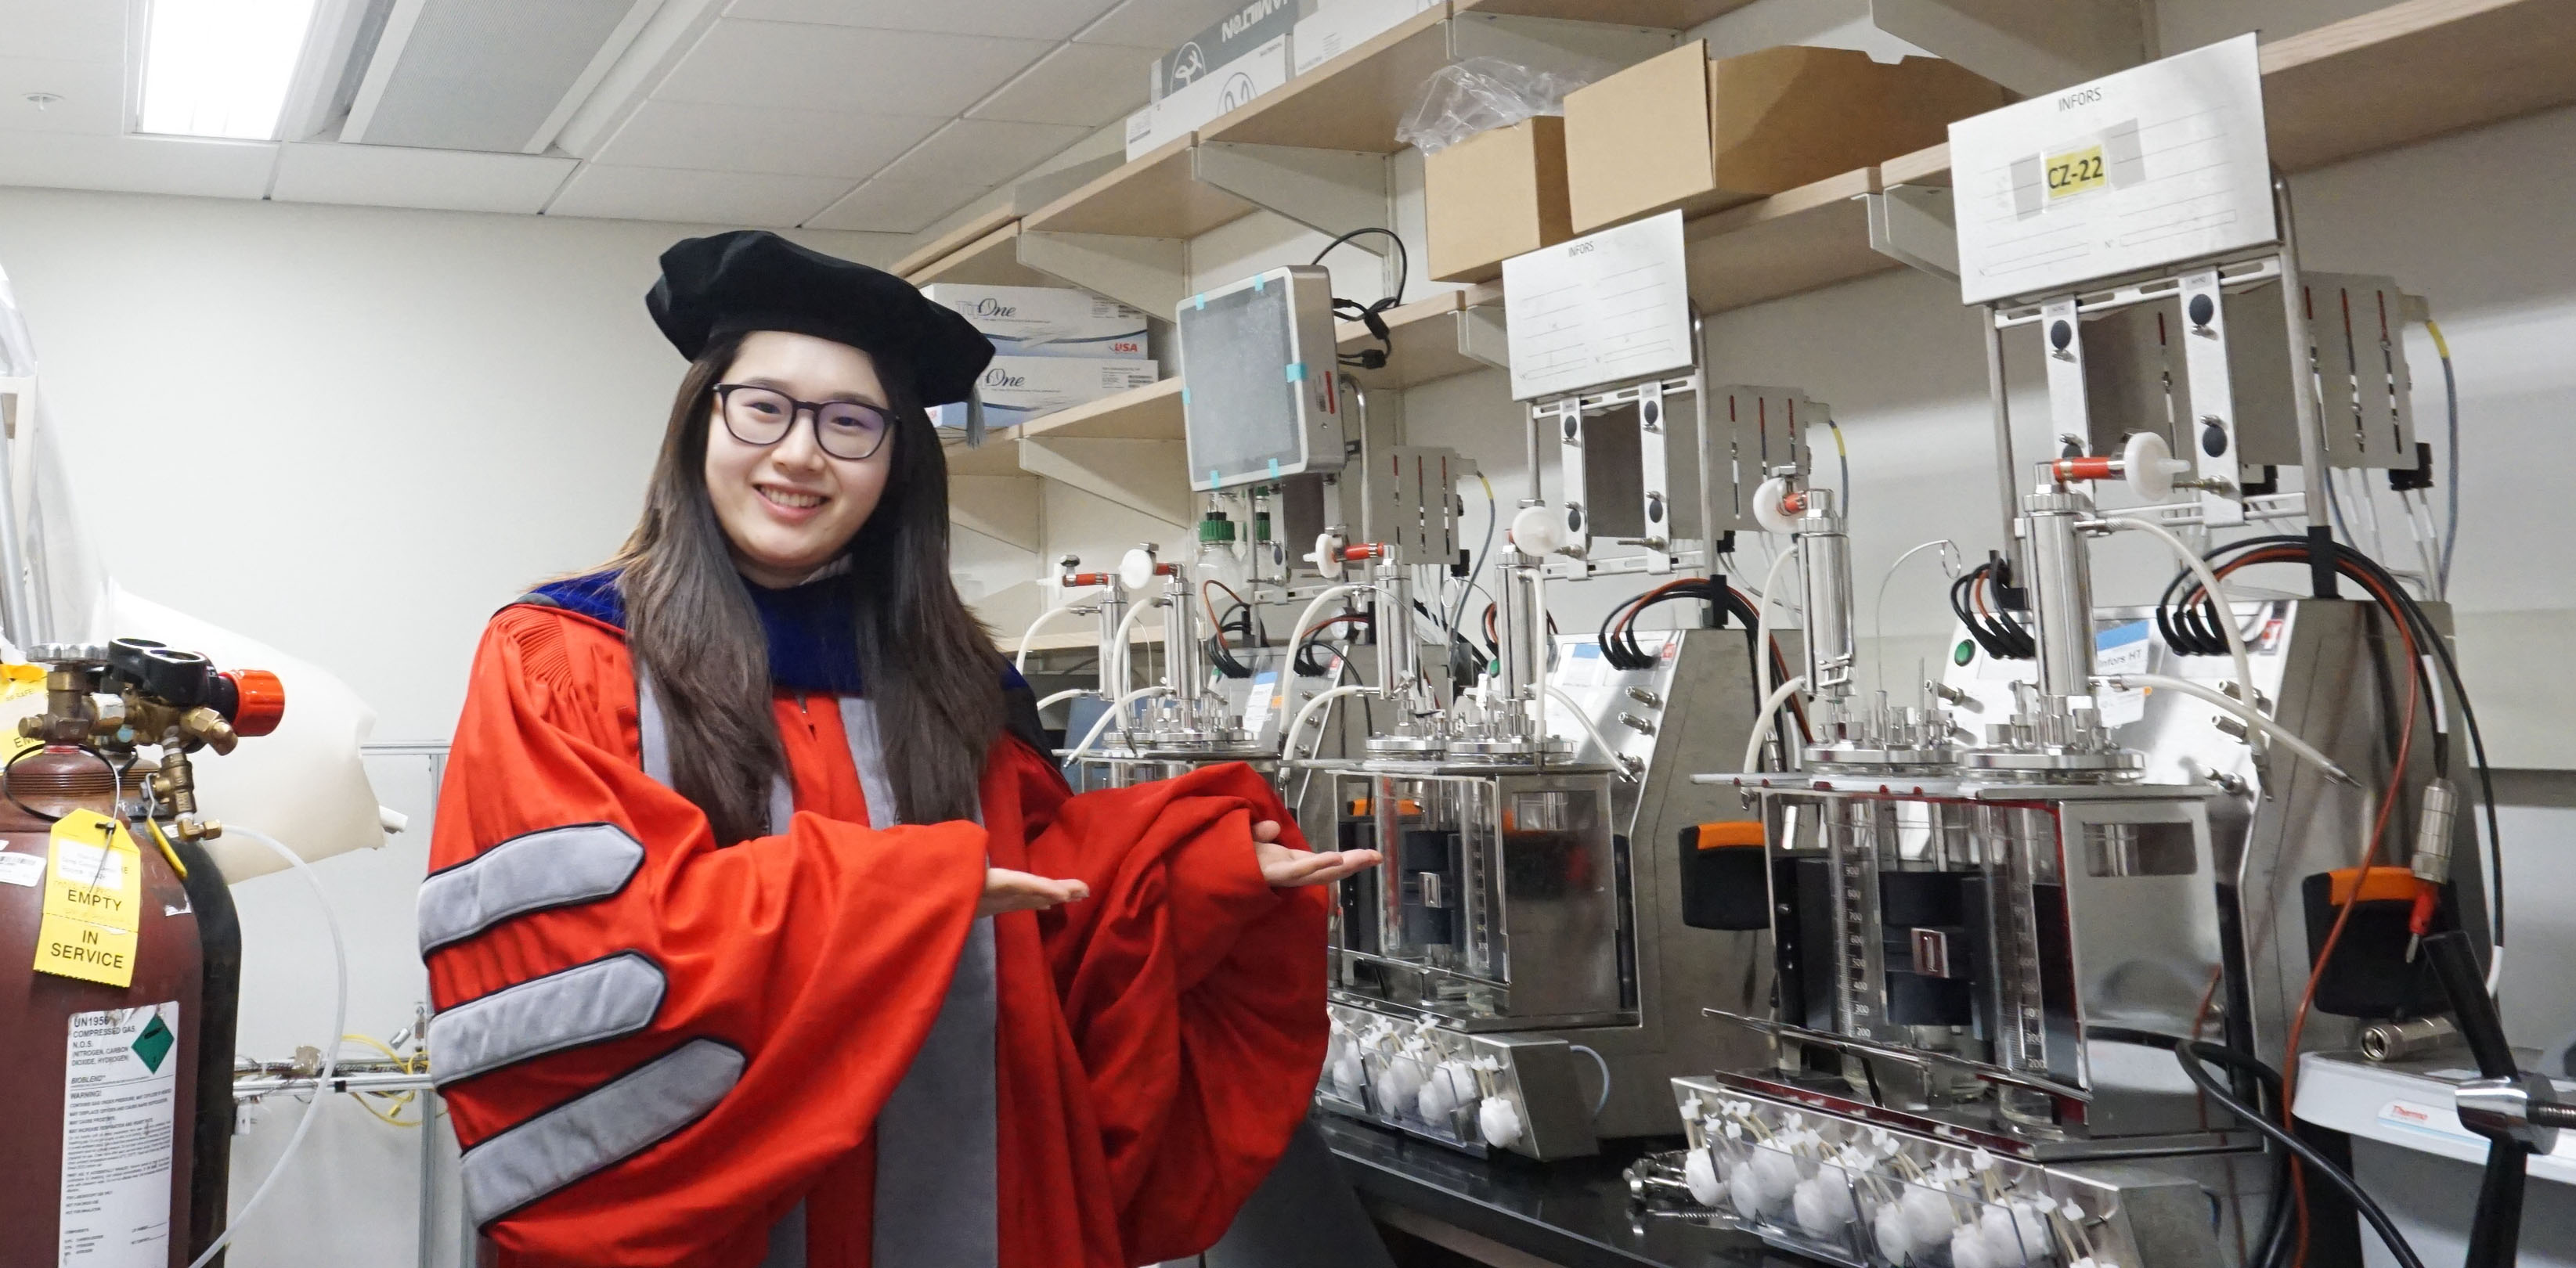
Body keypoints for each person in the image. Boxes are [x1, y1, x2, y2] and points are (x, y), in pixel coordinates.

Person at [417, 230, 1379, 1268]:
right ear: (702, 421)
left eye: (849, 424)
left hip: (966, 1191)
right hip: (707, 1228)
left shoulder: (953, 681)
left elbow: (1042, 910)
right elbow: (576, 957)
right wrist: (908, 892)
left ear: (894, 464)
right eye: (764, 407)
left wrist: (1190, 872)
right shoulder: (563, 656)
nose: (799, 454)